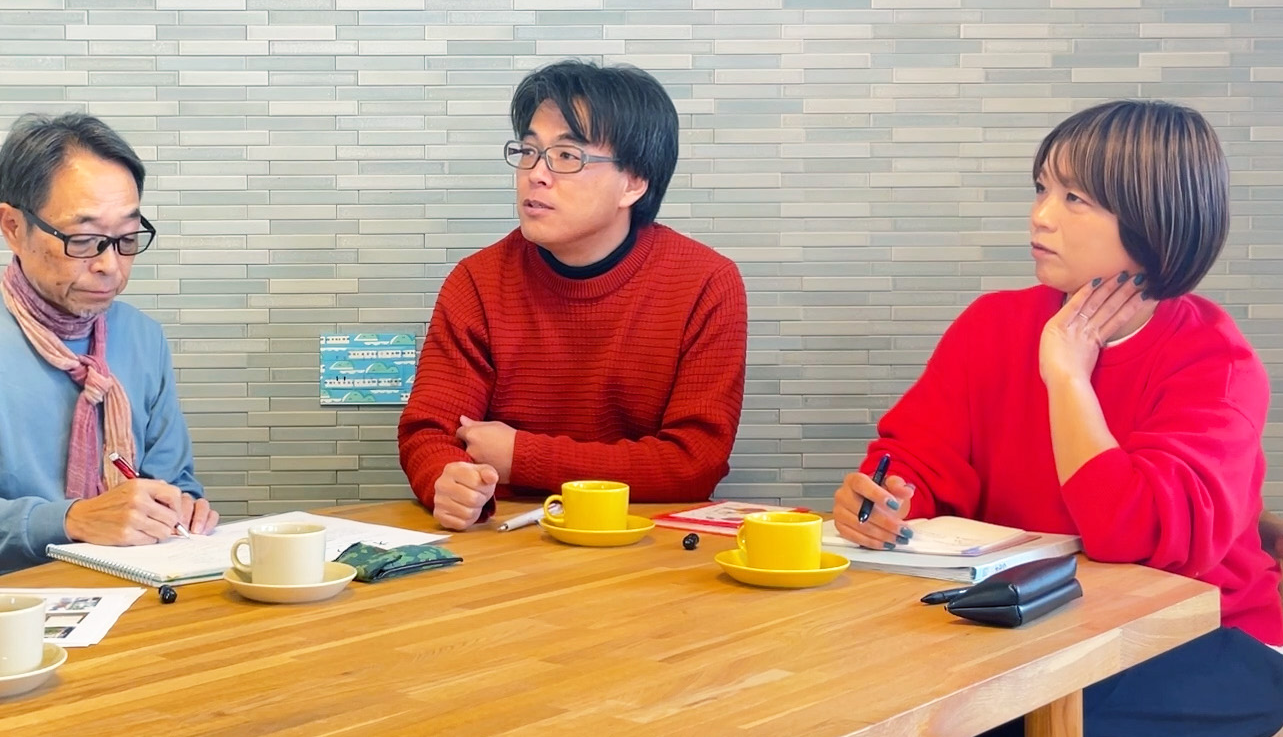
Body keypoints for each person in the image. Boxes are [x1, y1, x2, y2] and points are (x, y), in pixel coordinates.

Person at [831, 100, 1283, 737]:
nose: (1040, 215)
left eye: (1075, 198)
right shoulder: (993, 324)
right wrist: (885, 498)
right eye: (1042, 188)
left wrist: (1067, 377)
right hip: (1035, 628)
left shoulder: (1215, 363)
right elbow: (918, 460)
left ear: (1154, 218)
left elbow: (1129, 536)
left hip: (1203, 637)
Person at [398, 59, 748, 531]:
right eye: (528, 151)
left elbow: (694, 462)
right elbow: (429, 431)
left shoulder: (705, 282)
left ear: (633, 182)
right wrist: (448, 478)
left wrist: (523, 456)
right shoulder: (477, 281)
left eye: (566, 156)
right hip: (506, 539)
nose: (536, 174)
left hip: (643, 540)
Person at [0, 112, 217, 586]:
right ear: (13, 227)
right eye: (84, 240)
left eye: (127, 239)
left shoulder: (142, 337)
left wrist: (183, 508)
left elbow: (174, 483)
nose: (110, 265)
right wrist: (75, 519)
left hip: (134, 586)